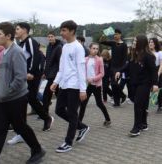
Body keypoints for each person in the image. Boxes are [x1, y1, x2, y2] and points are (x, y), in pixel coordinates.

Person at [0, 22, 45, 164]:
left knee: (21, 127)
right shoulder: (4, 51)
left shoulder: (16, 52)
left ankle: (37, 150)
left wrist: (7, 91)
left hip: (15, 98)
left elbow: (20, 77)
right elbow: (5, 75)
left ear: (8, 36)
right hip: (3, 98)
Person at [8, 22, 54, 145]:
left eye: (17, 29)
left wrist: (31, 73)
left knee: (31, 99)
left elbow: (35, 58)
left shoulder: (30, 41)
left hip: (32, 76)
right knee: (24, 99)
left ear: (24, 30)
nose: (15, 31)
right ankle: (21, 127)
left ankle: (47, 118)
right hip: (24, 75)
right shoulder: (20, 43)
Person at [50, 20, 89, 153]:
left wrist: (83, 89)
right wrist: (55, 82)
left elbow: (81, 69)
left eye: (64, 30)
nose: (61, 33)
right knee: (59, 110)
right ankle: (82, 127)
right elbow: (62, 68)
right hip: (64, 84)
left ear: (72, 31)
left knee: (72, 114)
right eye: (61, 30)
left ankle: (68, 142)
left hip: (75, 85)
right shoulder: (64, 47)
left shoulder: (78, 48)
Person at [116, 35, 158, 136]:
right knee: (141, 104)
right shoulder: (134, 54)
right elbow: (128, 65)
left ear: (141, 43)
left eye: (135, 41)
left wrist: (155, 84)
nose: (133, 43)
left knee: (138, 105)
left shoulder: (149, 56)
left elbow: (153, 71)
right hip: (134, 83)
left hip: (144, 84)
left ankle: (136, 127)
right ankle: (144, 123)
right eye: (133, 41)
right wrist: (119, 71)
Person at [78, 43, 111, 127]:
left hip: (96, 85)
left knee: (99, 103)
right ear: (89, 49)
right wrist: (84, 80)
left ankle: (107, 119)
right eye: (93, 48)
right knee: (83, 104)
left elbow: (102, 74)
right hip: (87, 85)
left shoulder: (99, 59)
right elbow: (82, 72)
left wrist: (93, 79)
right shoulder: (85, 59)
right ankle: (78, 123)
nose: (95, 50)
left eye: (97, 49)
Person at [99, 29, 127, 107]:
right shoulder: (113, 43)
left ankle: (122, 96)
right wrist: (103, 35)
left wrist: (121, 69)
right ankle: (117, 102)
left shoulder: (124, 45)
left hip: (119, 69)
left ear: (120, 35)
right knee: (113, 85)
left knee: (114, 84)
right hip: (112, 68)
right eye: (114, 34)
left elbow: (125, 59)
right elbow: (101, 41)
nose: (115, 36)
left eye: (117, 34)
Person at [43, 31, 63, 115]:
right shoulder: (49, 46)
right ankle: (64, 109)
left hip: (55, 75)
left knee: (46, 95)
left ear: (55, 37)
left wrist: (58, 74)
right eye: (49, 37)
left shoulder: (59, 47)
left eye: (52, 36)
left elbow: (60, 62)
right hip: (49, 74)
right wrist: (45, 72)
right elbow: (47, 61)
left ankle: (44, 113)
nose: (50, 38)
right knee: (59, 94)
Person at [149, 38, 162, 113]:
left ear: (155, 43)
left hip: (157, 71)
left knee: (156, 90)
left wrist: (157, 75)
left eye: (152, 42)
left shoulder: (160, 53)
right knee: (151, 89)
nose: (150, 43)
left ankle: (160, 106)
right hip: (149, 71)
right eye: (149, 42)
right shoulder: (148, 52)